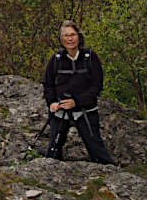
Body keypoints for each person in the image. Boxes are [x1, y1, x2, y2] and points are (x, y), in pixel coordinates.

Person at [42, 20, 115, 165]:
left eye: (73, 35)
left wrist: (77, 101)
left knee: (97, 150)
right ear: (62, 39)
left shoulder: (90, 57)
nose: (70, 39)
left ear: (78, 36)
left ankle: (111, 179)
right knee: (52, 153)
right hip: (60, 112)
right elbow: (48, 84)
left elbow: (97, 86)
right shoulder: (56, 59)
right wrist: (52, 103)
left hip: (86, 111)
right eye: (66, 36)